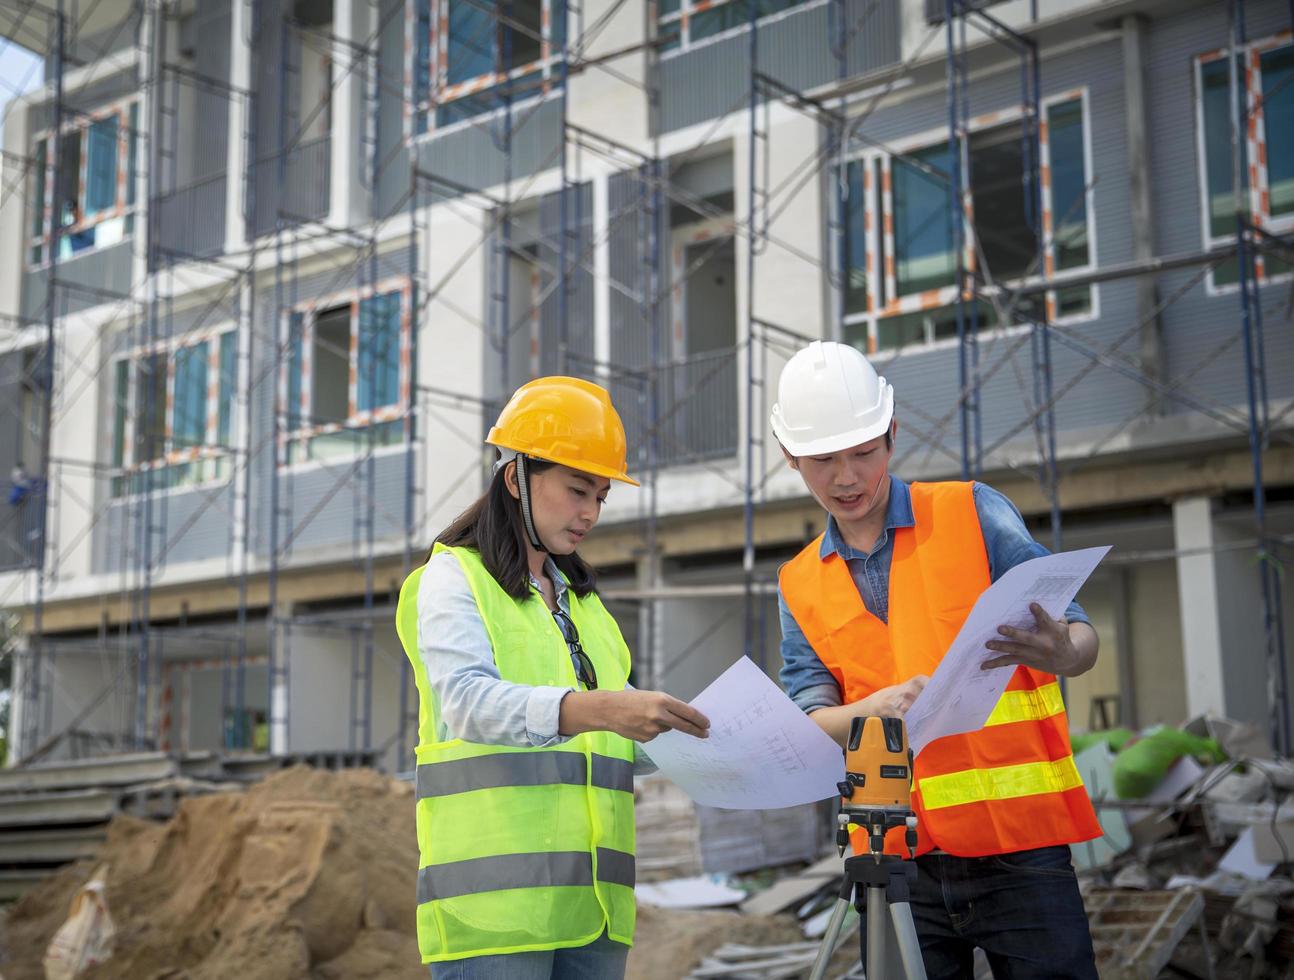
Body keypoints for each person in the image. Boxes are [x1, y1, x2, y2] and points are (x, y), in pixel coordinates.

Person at [770, 341, 1103, 979]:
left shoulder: (971, 513)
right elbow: (809, 713)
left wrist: (1065, 650)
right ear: (791, 457)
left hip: (1019, 848)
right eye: (823, 460)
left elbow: (1078, 633)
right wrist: (869, 709)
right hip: (892, 855)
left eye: (863, 453)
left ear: (892, 435)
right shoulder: (798, 582)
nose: (846, 477)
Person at [395, 376, 710, 979]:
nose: (590, 512)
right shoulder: (452, 579)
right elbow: (464, 703)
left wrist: (697, 739)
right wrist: (604, 709)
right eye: (576, 490)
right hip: (496, 917)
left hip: (593, 910)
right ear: (515, 477)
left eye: (600, 496)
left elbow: (612, 742)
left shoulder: (587, 609)